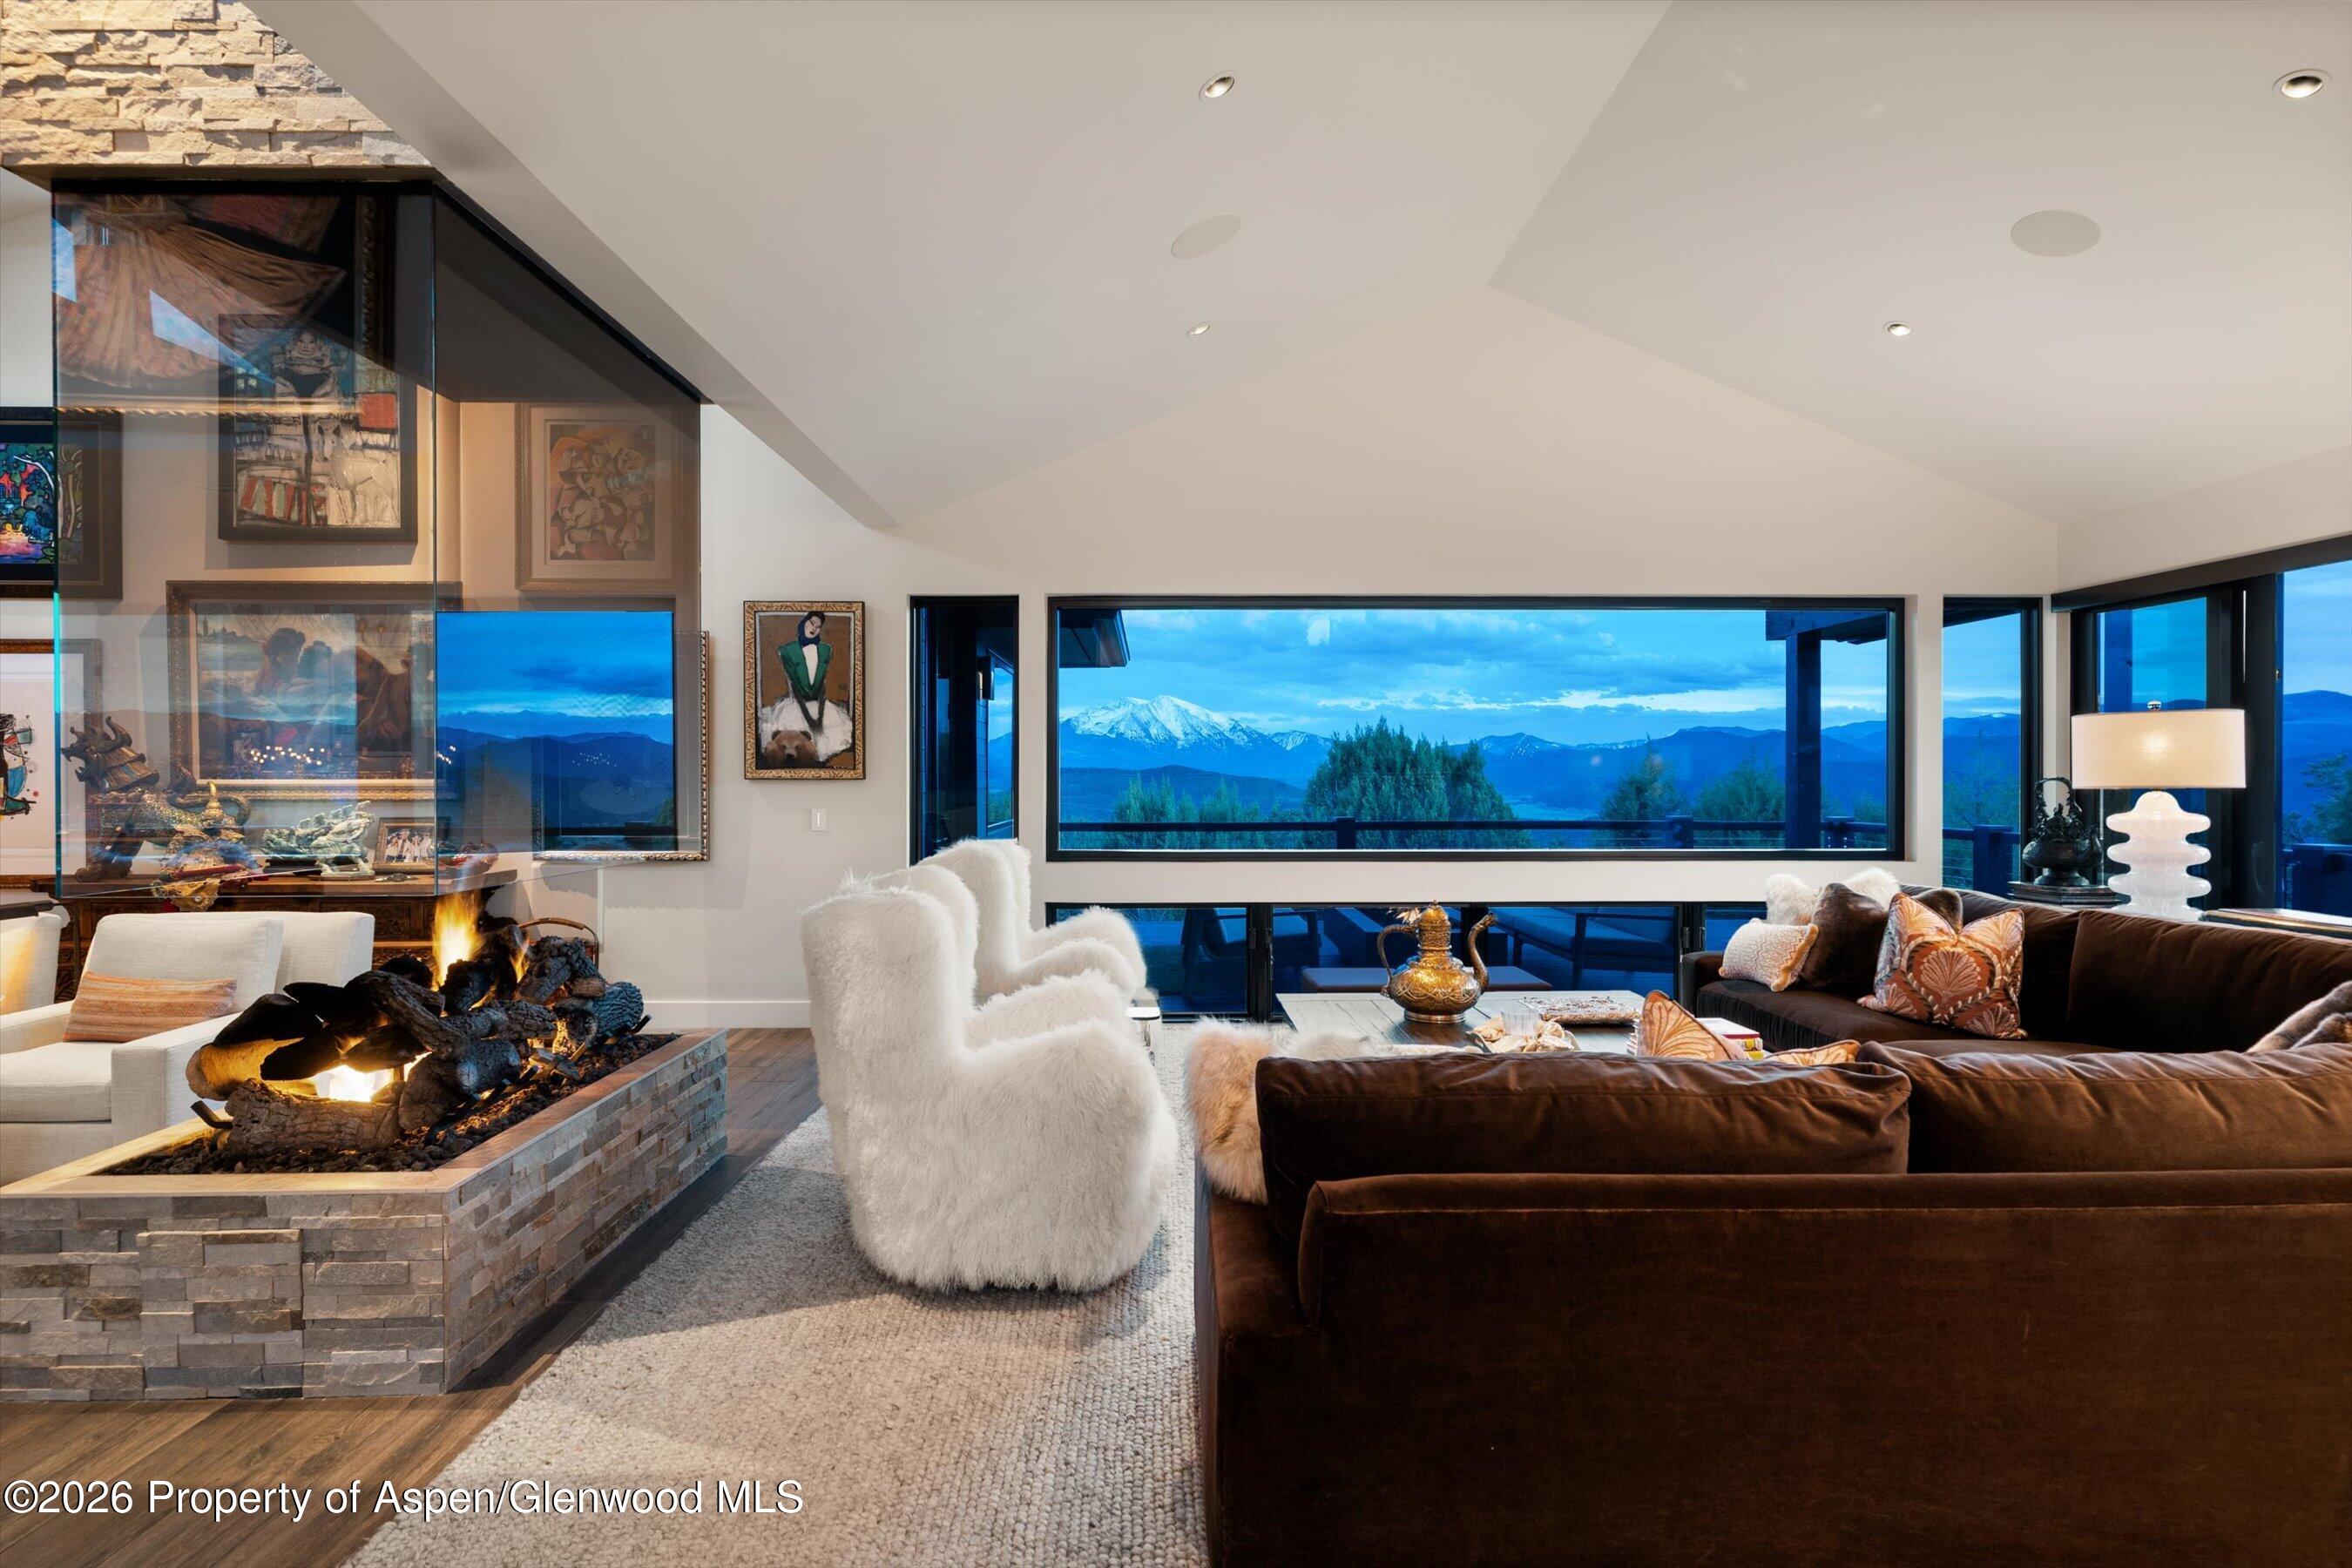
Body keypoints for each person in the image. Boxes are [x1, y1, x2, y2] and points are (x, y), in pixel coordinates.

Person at [760, 610, 855, 765]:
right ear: (803, 623)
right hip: (796, 703)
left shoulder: (826, 650)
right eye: (811, 623)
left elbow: (822, 680)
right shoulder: (787, 650)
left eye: (818, 626)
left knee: (830, 732)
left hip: (819, 703)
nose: (813, 628)